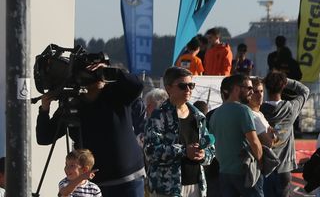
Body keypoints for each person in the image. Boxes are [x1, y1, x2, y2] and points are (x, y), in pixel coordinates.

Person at [37, 61, 146, 197]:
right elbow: (45, 137)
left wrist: (110, 71)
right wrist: (44, 110)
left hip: (127, 179)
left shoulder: (116, 93)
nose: (96, 77)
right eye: (90, 73)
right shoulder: (73, 103)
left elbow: (138, 85)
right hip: (91, 185)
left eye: (97, 73)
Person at [144, 67, 216, 197]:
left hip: (196, 186)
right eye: (183, 86)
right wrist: (184, 151)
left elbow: (211, 150)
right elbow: (151, 151)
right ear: (168, 88)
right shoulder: (159, 116)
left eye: (191, 85)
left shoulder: (198, 116)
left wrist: (203, 154)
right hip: (167, 189)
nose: (188, 90)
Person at [207, 74, 264, 197]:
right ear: (237, 89)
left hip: (224, 173)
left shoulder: (216, 114)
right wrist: (261, 163)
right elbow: (254, 142)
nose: (252, 92)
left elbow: (213, 144)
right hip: (244, 172)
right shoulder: (243, 110)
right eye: (249, 88)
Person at [259, 71, 310, 197]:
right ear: (283, 87)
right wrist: (286, 81)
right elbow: (304, 91)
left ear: (266, 87)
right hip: (284, 167)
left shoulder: (258, 111)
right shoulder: (291, 108)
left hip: (264, 167)